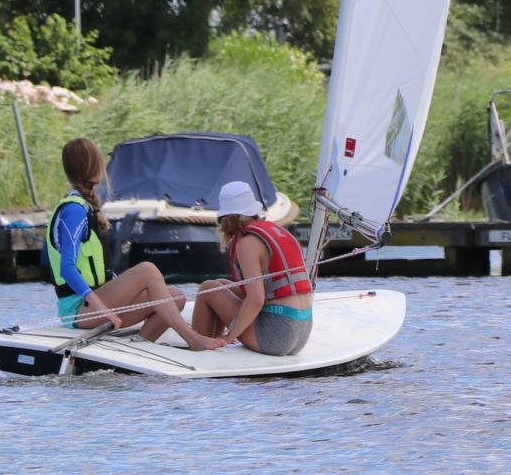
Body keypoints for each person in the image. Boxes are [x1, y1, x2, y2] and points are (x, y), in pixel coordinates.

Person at [48, 138, 220, 349]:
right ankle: (192, 338)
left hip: (97, 302)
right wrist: (102, 307)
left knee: (175, 297)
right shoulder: (73, 210)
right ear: (96, 167)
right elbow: (67, 269)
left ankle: (137, 346)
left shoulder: (86, 207)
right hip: (78, 309)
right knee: (147, 270)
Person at [190, 180, 313, 356]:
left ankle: (197, 346)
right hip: (301, 331)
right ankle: (210, 339)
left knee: (208, 288)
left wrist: (230, 336)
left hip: (276, 335)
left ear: (229, 218)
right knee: (221, 284)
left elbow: (256, 299)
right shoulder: (278, 231)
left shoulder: (247, 243)